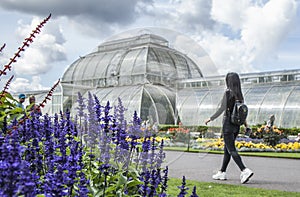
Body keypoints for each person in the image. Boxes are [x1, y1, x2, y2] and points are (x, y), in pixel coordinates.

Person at [205, 72, 253, 184]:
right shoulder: (239, 95)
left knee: (231, 149)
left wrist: (210, 118)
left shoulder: (228, 93)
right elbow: (242, 113)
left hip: (228, 125)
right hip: (236, 126)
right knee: (227, 149)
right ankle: (222, 172)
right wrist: (246, 125)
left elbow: (222, 108)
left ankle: (244, 170)